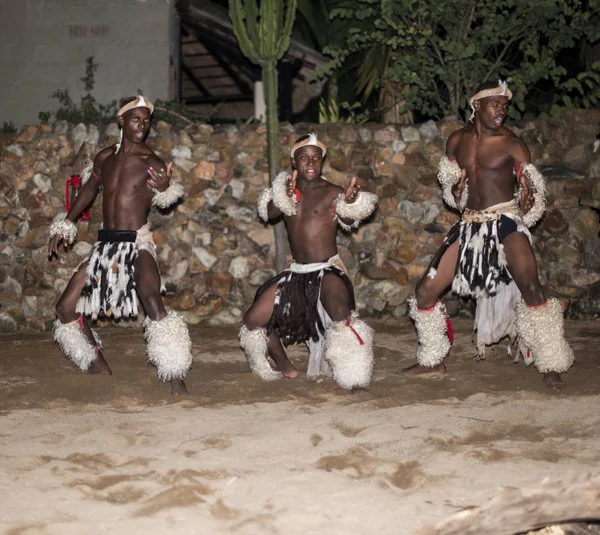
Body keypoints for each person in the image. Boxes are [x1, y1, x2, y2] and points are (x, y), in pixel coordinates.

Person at [405, 80, 574, 390]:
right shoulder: (456, 141)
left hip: (505, 221)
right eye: (495, 104)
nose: (502, 110)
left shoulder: (512, 143)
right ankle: (433, 359)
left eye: (505, 106)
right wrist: (453, 192)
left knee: (531, 288)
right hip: (470, 225)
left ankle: (550, 362)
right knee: (424, 292)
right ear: (477, 105)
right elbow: (452, 187)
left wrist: (530, 198)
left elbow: (531, 187)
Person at [48, 96, 193, 395]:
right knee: (65, 308)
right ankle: (97, 366)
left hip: (137, 242)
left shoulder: (150, 161)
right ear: (122, 121)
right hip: (106, 247)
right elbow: (89, 190)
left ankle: (176, 379)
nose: (142, 125)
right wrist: (68, 223)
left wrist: (165, 189)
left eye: (147, 120)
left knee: (152, 300)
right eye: (136, 119)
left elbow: (163, 194)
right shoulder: (104, 158)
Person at [239, 133, 378, 389]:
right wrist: (284, 196)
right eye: (304, 158)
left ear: (322, 162)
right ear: (295, 162)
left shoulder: (332, 192)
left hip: (327, 269)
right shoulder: (285, 192)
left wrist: (349, 204)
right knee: (253, 319)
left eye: (316, 158)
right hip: (297, 273)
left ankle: (355, 379)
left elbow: (347, 221)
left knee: (340, 312)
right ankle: (285, 367)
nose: (311, 163)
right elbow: (269, 214)